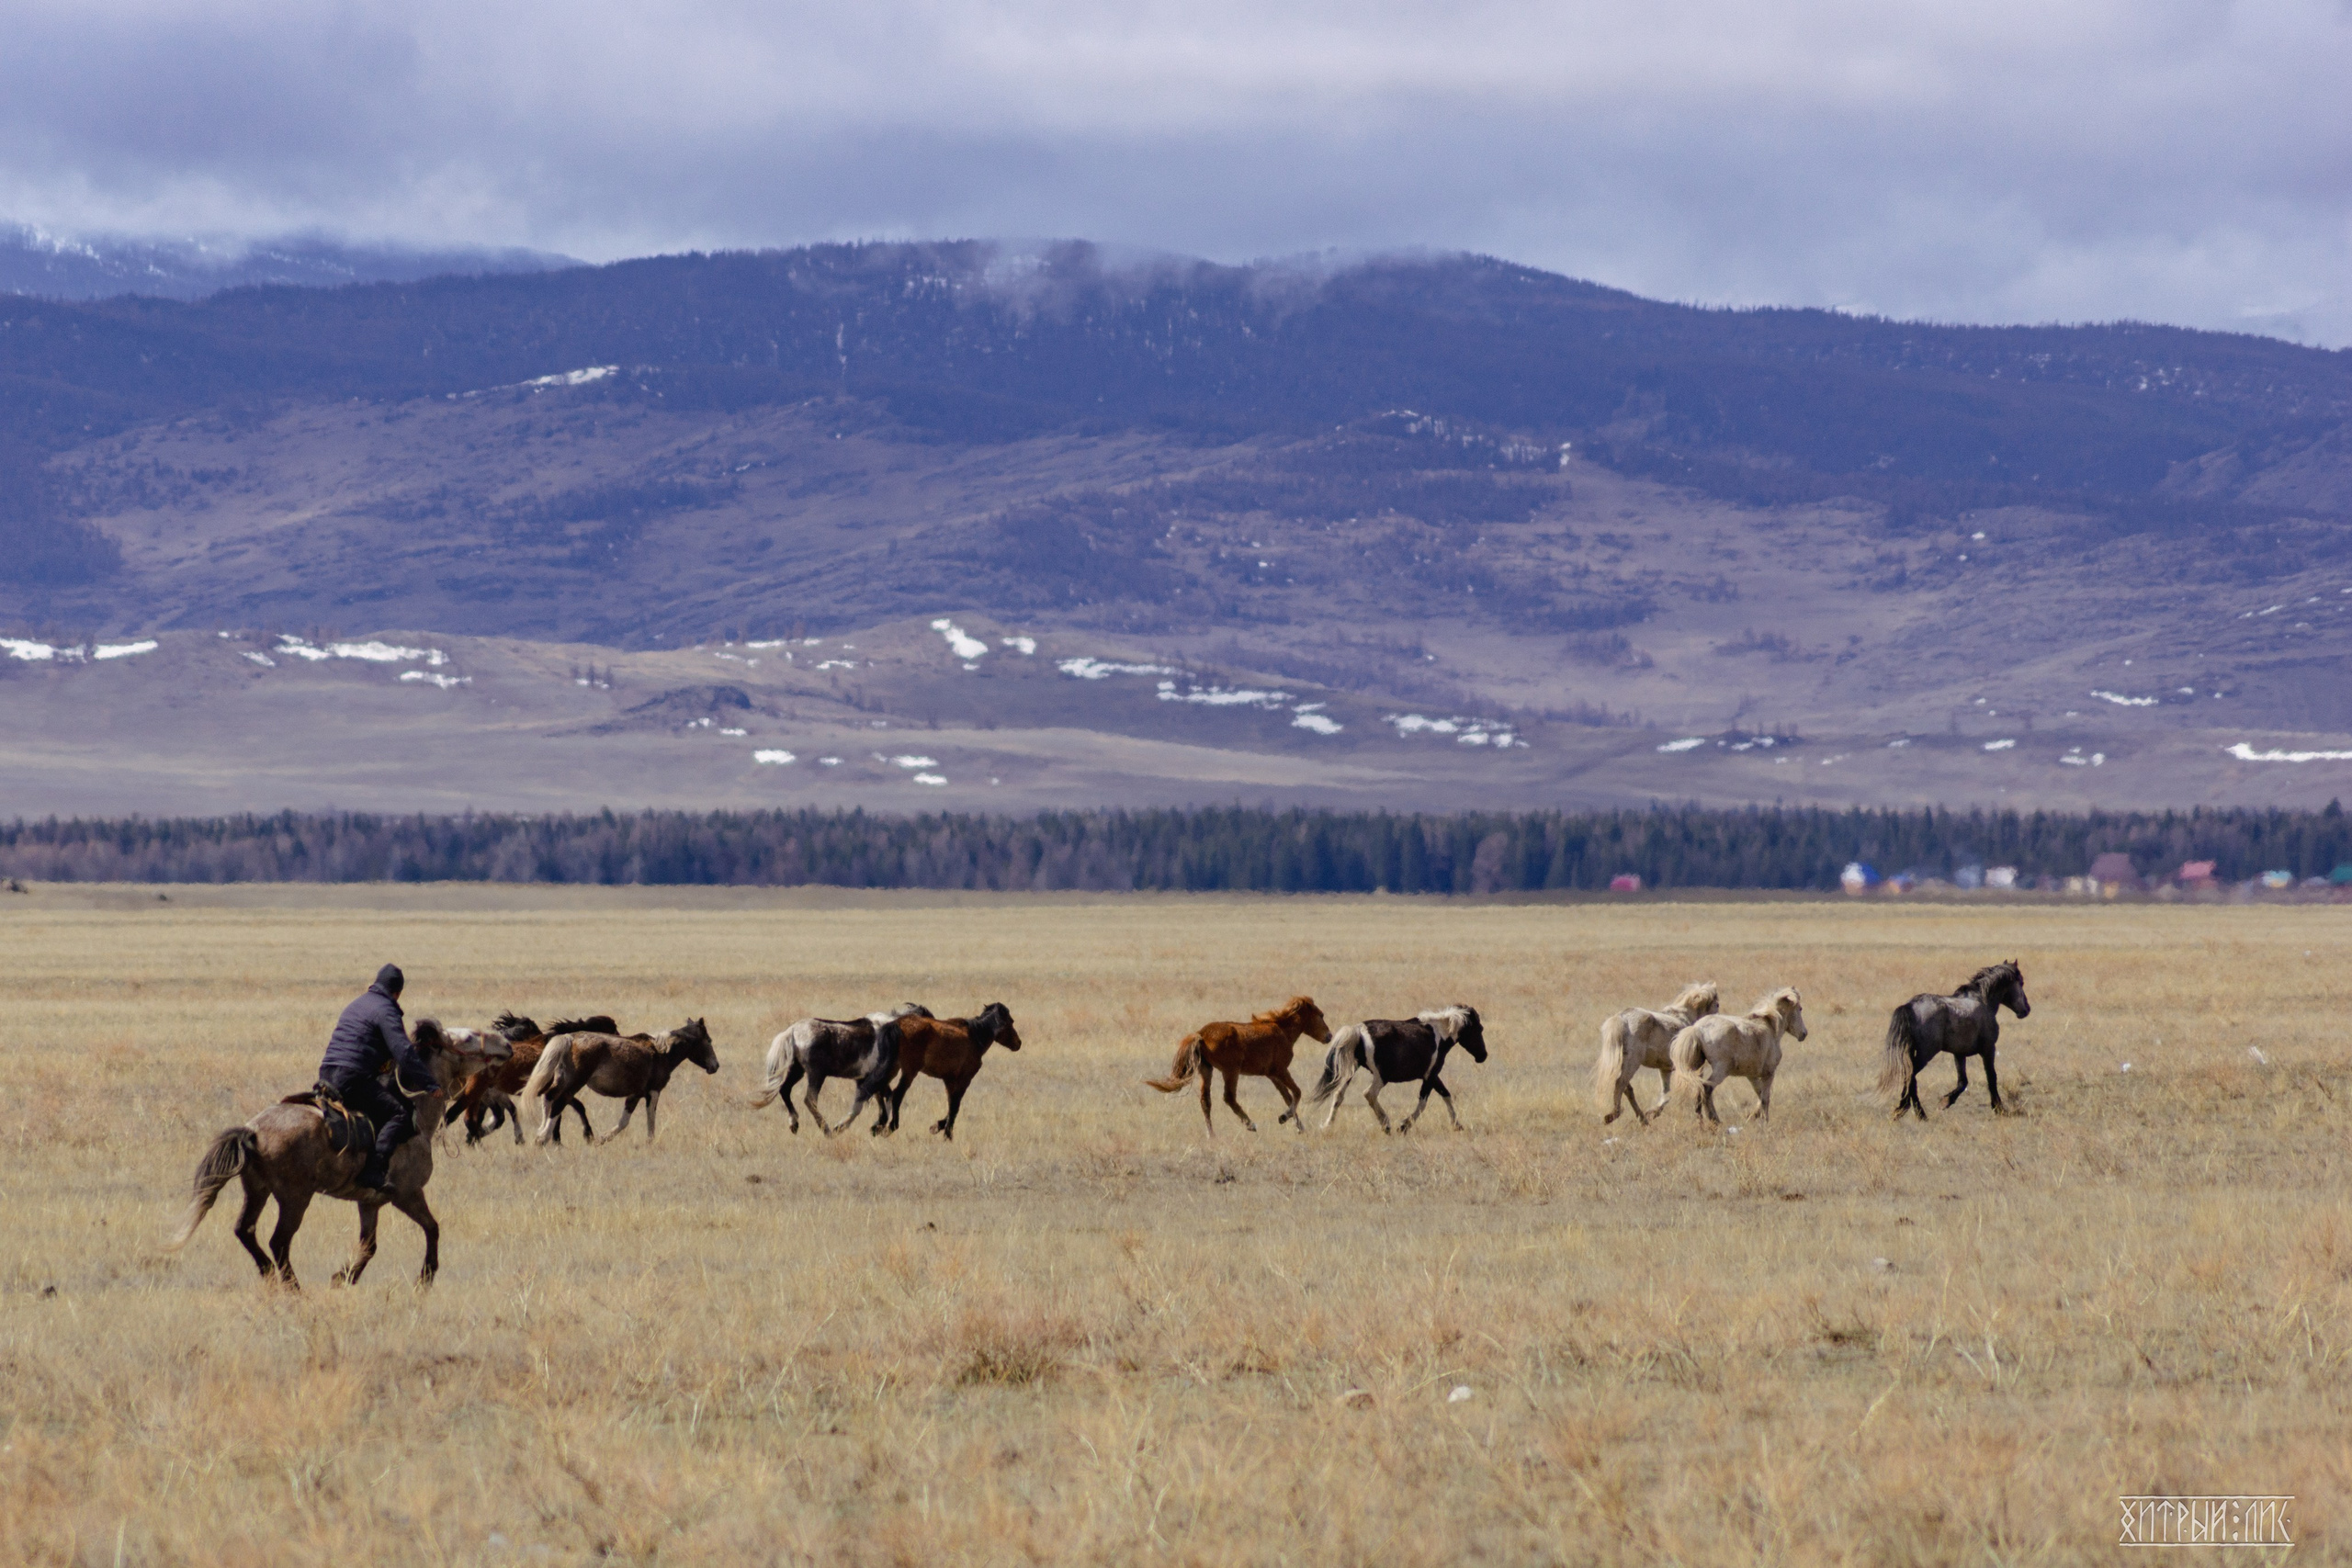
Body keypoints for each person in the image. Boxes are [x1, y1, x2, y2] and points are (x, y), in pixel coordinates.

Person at [318, 964, 435, 1196]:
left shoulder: (356, 1004)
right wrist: (429, 1083)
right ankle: (374, 1171)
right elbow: (403, 1050)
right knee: (398, 1114)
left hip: (327, 1073)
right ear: (397, 993)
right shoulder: (386, 1010)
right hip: (353, 1077)